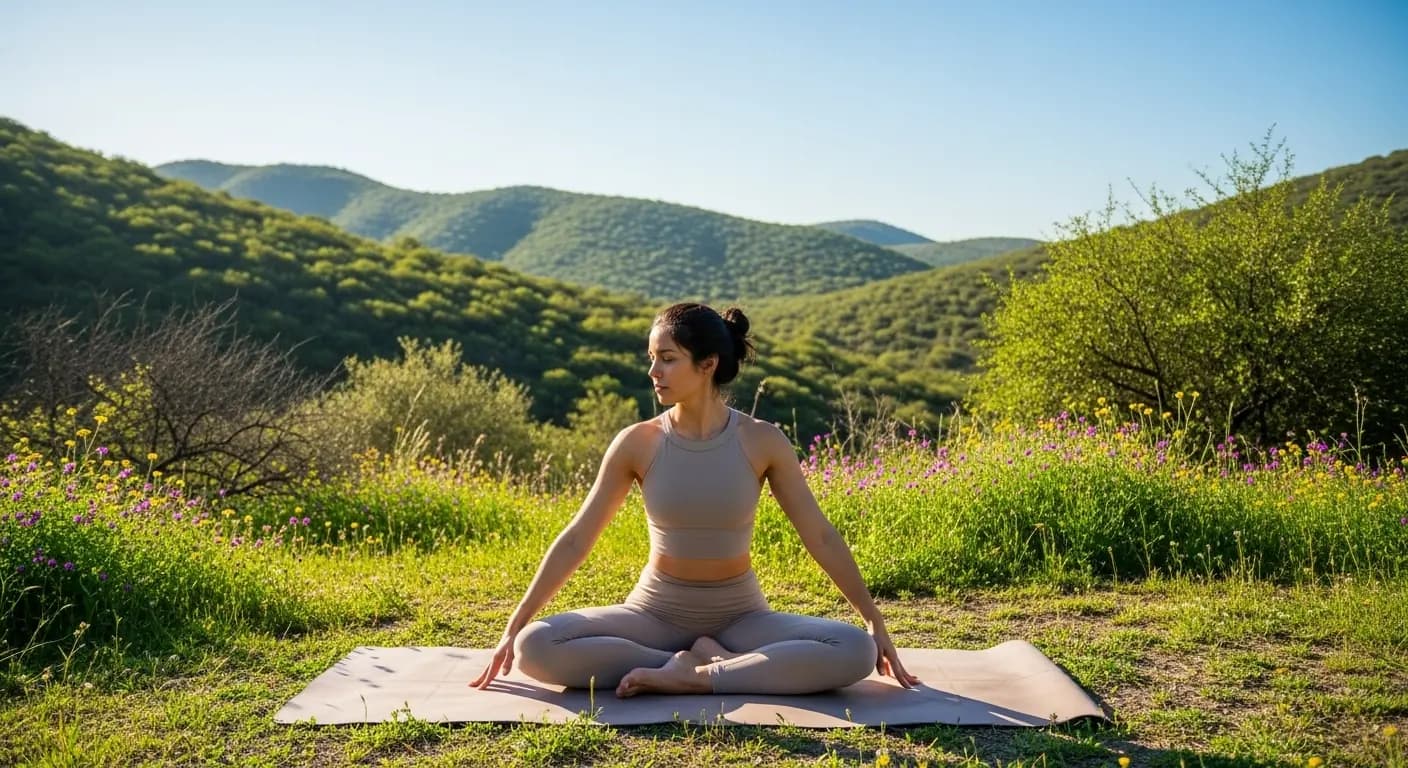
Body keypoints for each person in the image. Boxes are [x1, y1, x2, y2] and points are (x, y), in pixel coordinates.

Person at [470, 303, 918, 698]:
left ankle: (701, 673)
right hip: (654, 614)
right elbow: (577, 538)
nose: (653, 372)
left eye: (667, 359)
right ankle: (683, 664)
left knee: (854, 649)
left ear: (707, 364)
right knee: (536, 646)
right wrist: (513, 625)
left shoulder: (762, 441)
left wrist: (874, 620)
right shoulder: (638, 442)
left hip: (741, 617)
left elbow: (818, 534)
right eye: (651, 358)